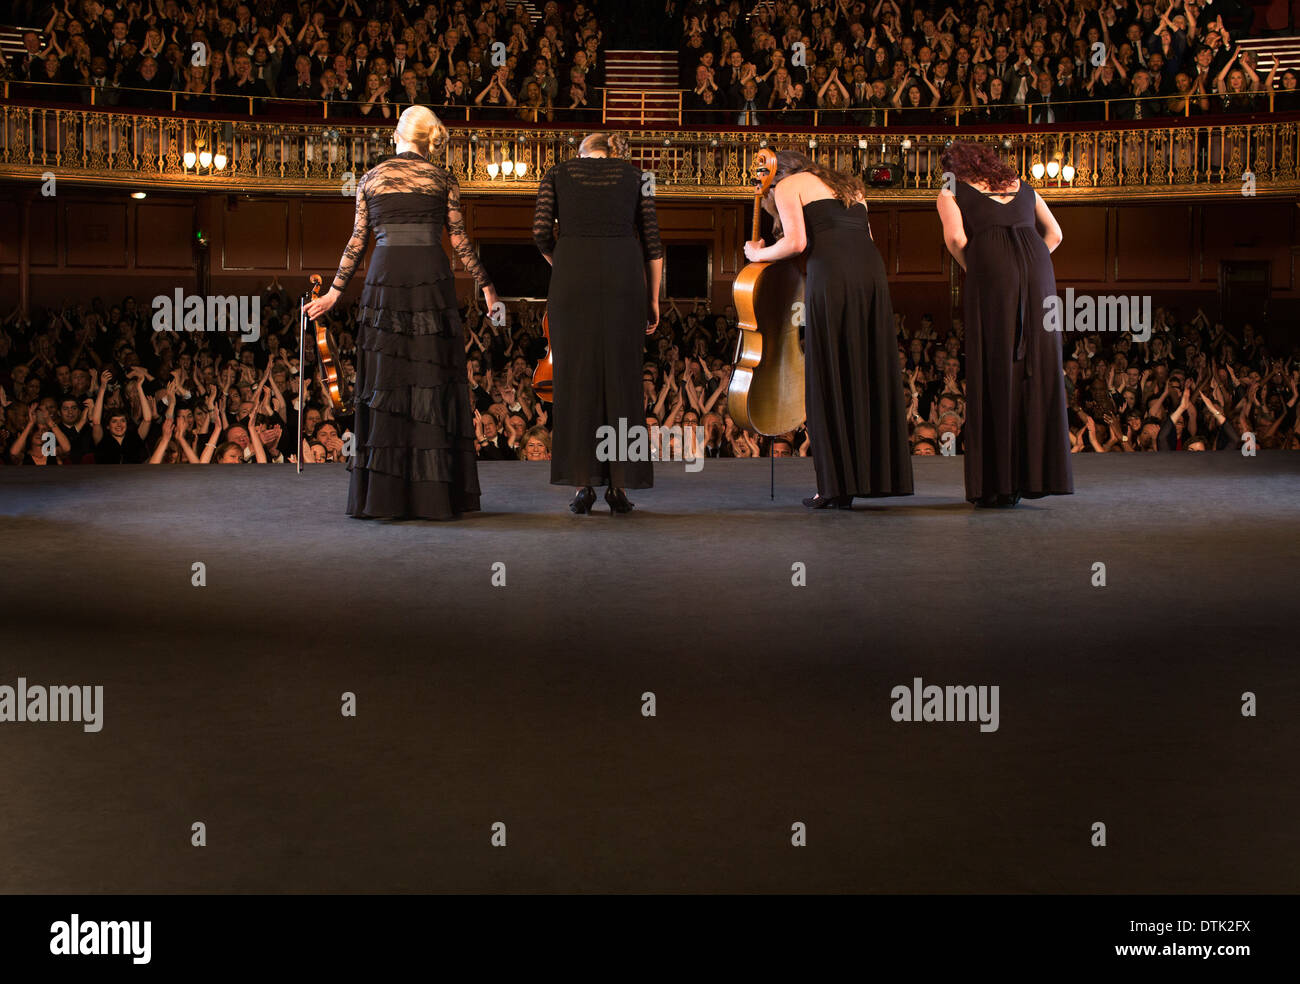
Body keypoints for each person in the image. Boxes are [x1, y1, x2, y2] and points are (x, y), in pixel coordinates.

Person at [306, 106, 499, 519]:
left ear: (398, 133)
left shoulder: (371, 179)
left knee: (388, 382)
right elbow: (460, 239)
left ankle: (387, 497)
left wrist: (334, 293)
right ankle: (434, 498)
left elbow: (357, 242)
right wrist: (486, 286)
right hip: (431, 278)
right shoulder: (443, 179)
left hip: (385, 280)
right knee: (430, 380)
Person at [742, 151, 913, 509]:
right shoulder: (849, 186)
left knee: (829, 371)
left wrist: (757, 254)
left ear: (777, 175)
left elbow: (797, 243)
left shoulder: (788, 185)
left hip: (832, 274)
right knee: (866, 368)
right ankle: (876, 477)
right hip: (870, 273)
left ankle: (836, 486)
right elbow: (864, 235)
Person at [935, 141, 1073, 508]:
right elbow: (1056, 235)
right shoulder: (1021, 183)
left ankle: (995, 484)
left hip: (993, 272)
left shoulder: (950, 189)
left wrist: (982, 271)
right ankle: (1037, 476)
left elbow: (956, 239)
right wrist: (1029, 265)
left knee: (996, 364)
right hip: (1038, 269)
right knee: (1037, 366)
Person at [532, 132, 663, 514]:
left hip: (572, 279)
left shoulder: (557, 174)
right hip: (624, 278)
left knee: (575, 382)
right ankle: (619, 488)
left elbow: (540, 233)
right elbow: (653, 243)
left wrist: (568, 266)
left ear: (581, 154)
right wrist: (652, 298)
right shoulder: (639, 177)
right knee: (622, 380)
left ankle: (581, 487)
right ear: (612, 153)